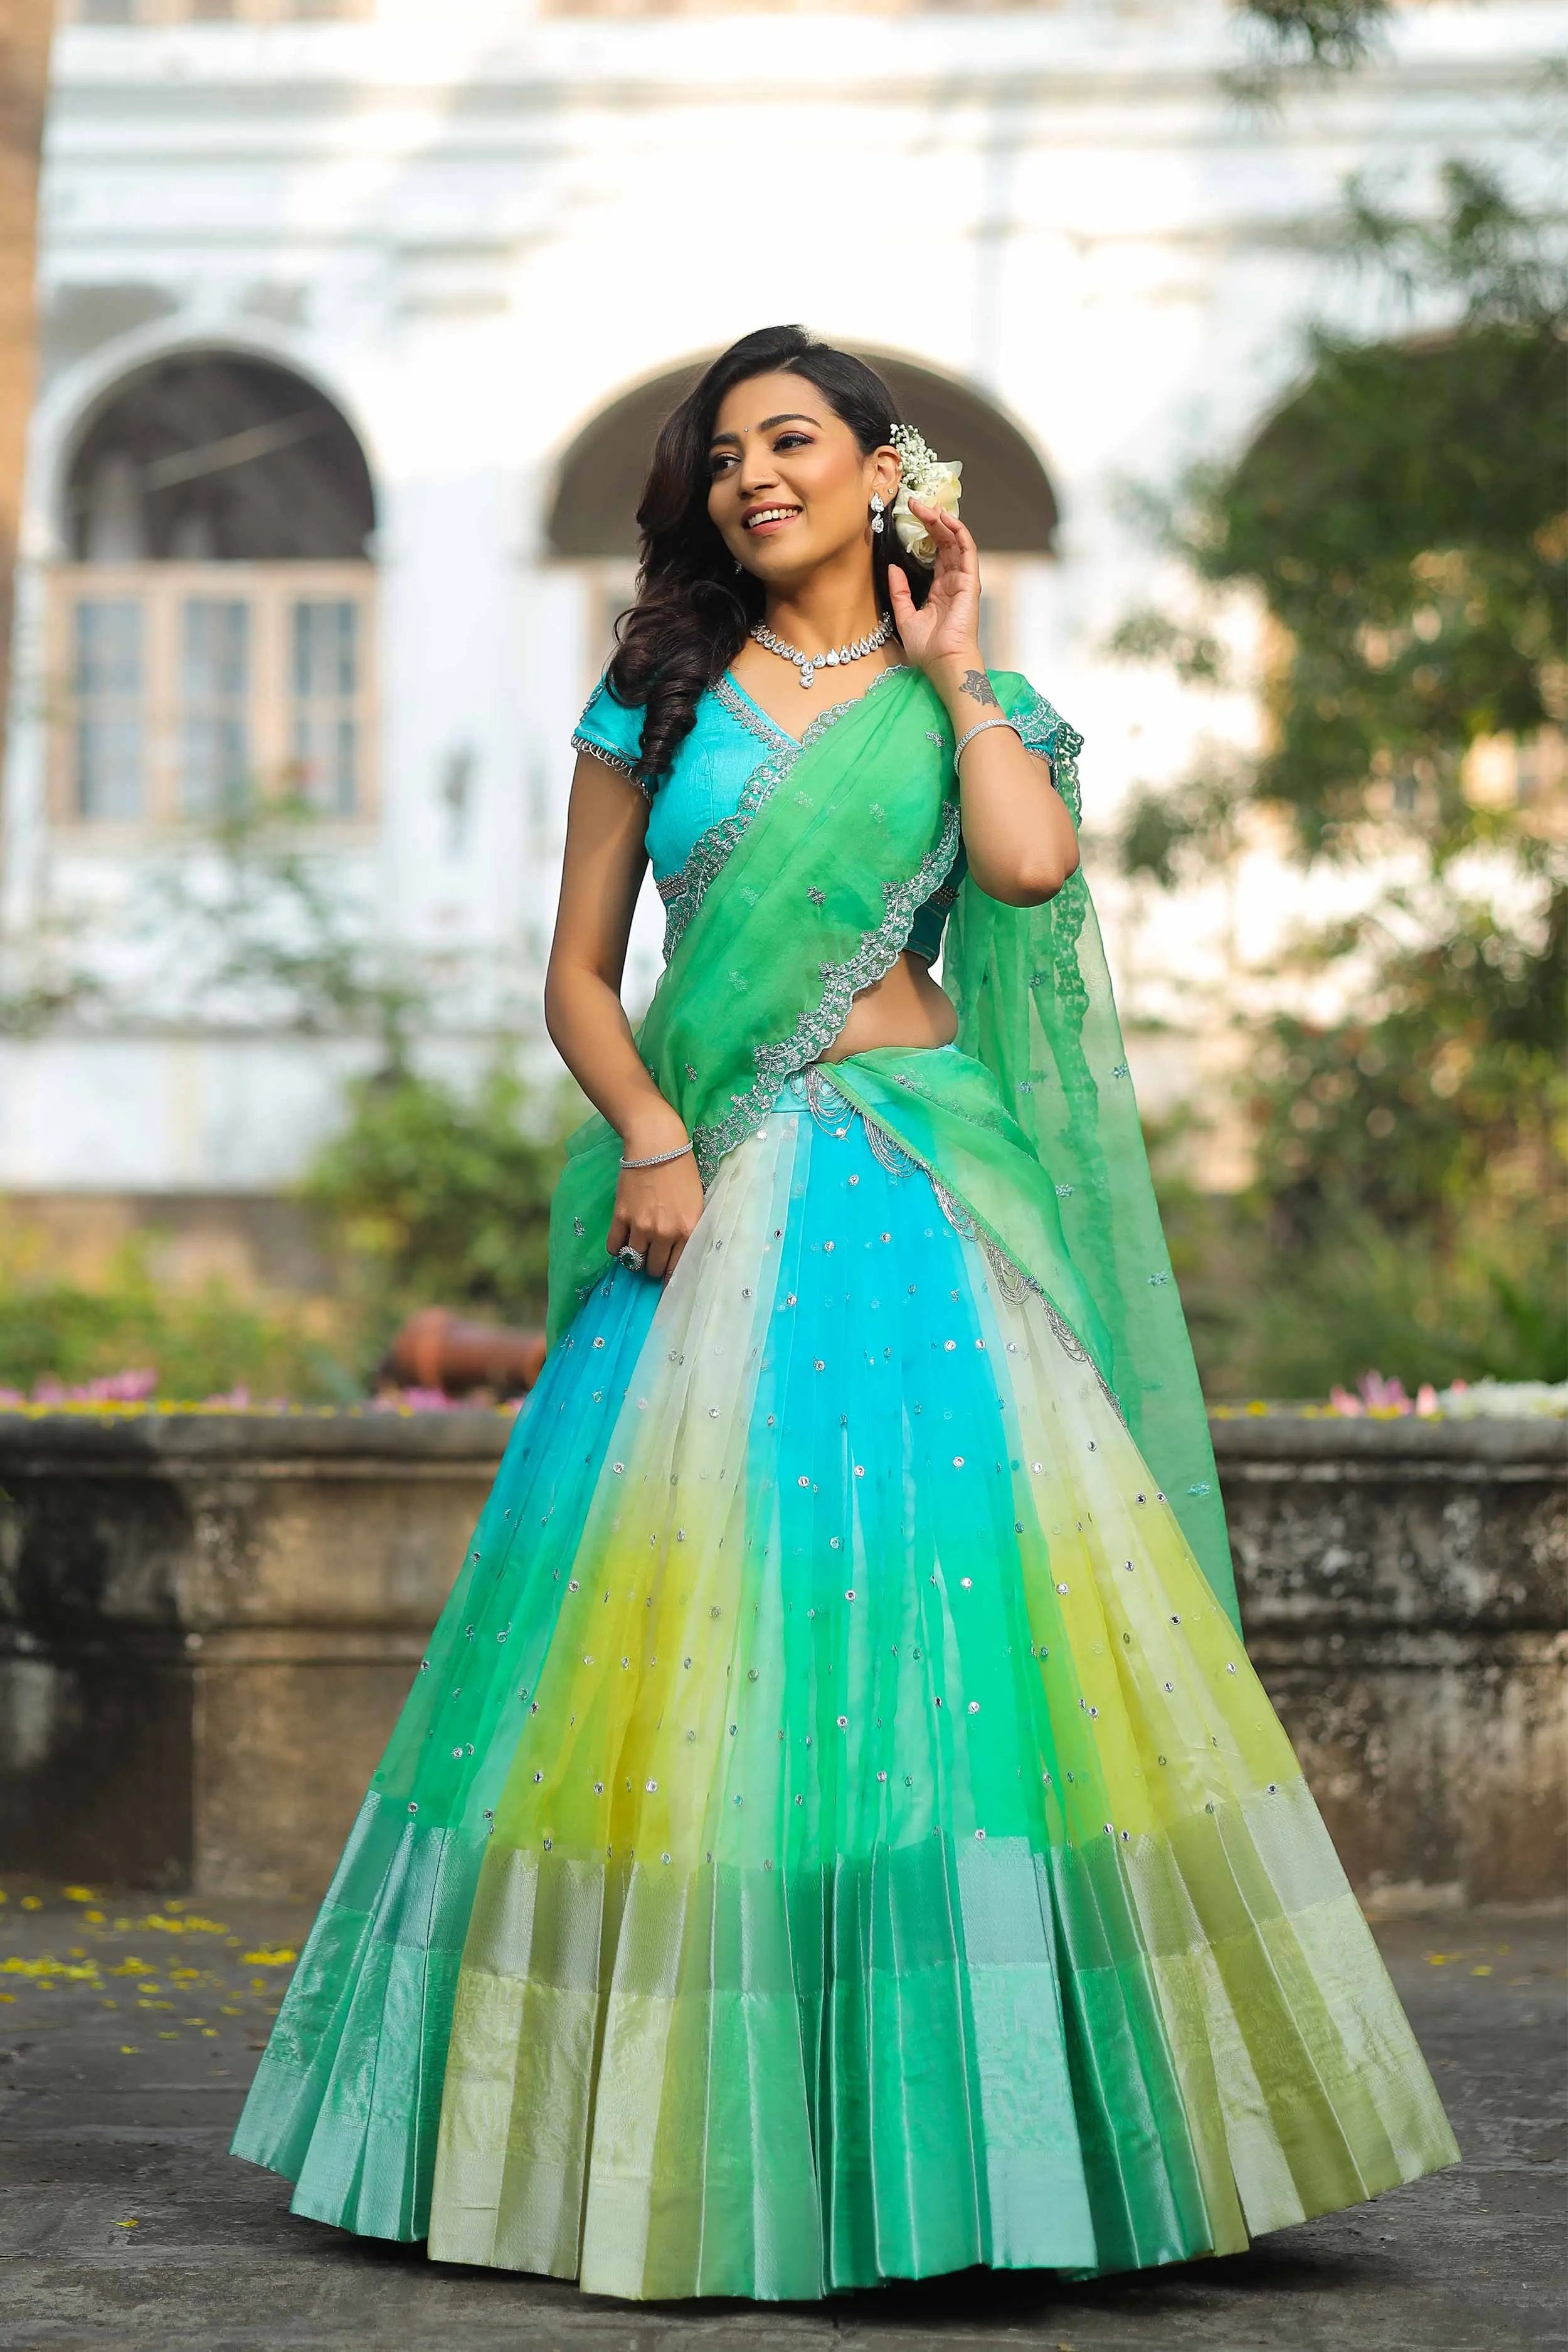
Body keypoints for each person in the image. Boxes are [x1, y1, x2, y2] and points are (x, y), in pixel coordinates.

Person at [233, 326, 1457, 2300]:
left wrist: (962, 673)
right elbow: (575, 976)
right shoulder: (652, 696)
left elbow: (1029, 871)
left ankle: (994, 2144)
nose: (750, 478)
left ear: (886, 470)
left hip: (919, 1194)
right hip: (706, 1207)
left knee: (964, 1658)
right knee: (694, 1669)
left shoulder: (962, 698)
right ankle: (697, 2140)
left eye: (788, 441)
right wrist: (646, 1133)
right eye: (722, 454)